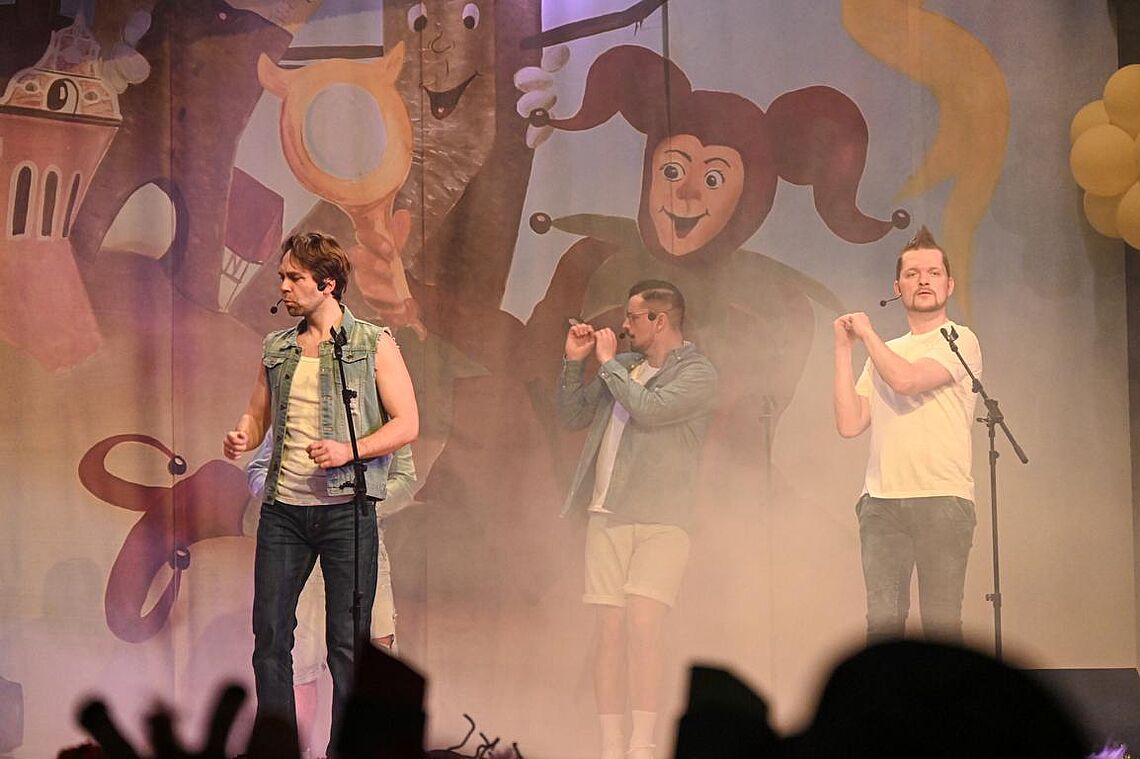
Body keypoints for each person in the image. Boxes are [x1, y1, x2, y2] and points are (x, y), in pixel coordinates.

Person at [223, 231, 418, 755]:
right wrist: (243, 434)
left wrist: (348, 452)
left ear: (327, 283)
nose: (284, 287)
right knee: (270, 638)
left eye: (295, 278)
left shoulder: (372, 343)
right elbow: (257, 414)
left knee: (348, 645)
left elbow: (407, 423)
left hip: (346, 511)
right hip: (284, 513)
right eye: (282, 277)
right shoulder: (277, 347)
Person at [557, 280, 717, 759]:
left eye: (632, 317)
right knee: (608, 630)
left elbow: (650, 410)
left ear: (659, 320)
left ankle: (642, 743)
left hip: (663, 519)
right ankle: (611, 745)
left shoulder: (698, 372)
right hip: (606, 516)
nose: (624, 326)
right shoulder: (625, 366)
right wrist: (574, 361)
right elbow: (572, 415)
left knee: (644, 626)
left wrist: (606, 363)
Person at [832, 226, 982, 644]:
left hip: (942, 498)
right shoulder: (886, 351)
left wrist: (868, 335)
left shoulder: (959, 340)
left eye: (933, 273)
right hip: (881, 503)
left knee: (941, 627)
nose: (923, 281)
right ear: (897, 288)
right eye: (912, 274)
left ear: (949, 285)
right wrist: (843, 349)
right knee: (883, 626)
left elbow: (907, 381)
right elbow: (850, 423)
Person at [245, 432, 418, 759]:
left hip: (360, 543)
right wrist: (287, 501)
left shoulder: (379, 415)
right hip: (301, 547)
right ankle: (292, 749)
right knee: (298, 663)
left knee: (369, 658)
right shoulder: (294, 411)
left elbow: (406, 479)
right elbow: (258, 470)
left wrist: (362, 505)